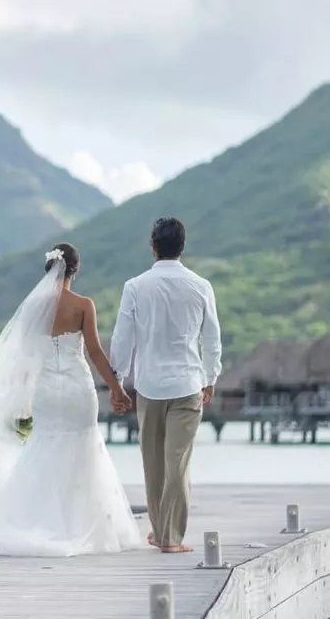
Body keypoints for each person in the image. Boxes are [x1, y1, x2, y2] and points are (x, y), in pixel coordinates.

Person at [0, 243, 144, 557]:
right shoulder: (84, 305)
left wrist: (21, 396)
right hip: (77, 388)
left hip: (45, 389)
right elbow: (95, 352)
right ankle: (83, 525)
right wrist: (116, 389)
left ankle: (38, 521)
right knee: (85, 448)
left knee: (44, 446)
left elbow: (25, 357)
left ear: (50, 268)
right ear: (75, 269)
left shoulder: (33, 308)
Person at [109, 217, 222, 554]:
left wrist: (118, 382)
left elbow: (122, 339)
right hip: (188, 385)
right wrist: (211, 377)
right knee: (178, 463)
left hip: (149, 387)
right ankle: (168, 537)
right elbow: (212, 339)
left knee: (153, 464)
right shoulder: (201, 286)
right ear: (182, 247)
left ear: (153, 246)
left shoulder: (135, 286)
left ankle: (163, 533)